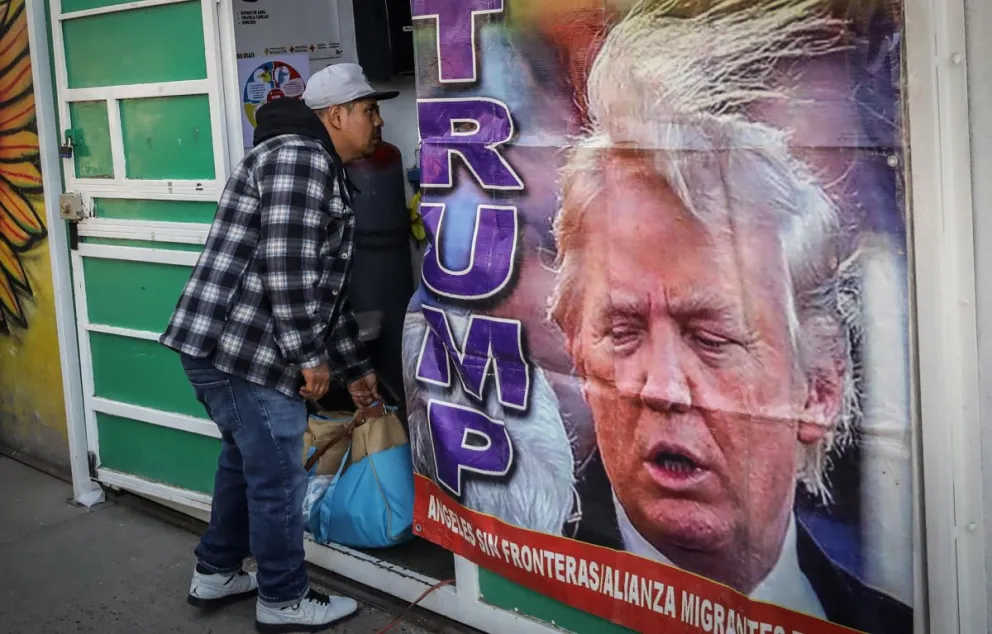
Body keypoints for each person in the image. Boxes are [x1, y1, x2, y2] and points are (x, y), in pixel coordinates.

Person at [548, 3, 912, 633]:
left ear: (820, 386)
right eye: (623, 331)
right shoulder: (531, 576)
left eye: (712, 338)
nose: (660, 387)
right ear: (577, 352)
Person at [159, 62, 397, 633]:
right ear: (335, 116)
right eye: (367, 110)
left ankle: (216, 572)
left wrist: (355, 370)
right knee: (278, 479)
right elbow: (286, 269)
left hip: (229, 348)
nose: (377, 119)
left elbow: (326, 291)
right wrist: (309, 358)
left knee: (246, 465)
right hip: (240, 351)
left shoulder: (315, 161)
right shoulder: (300, 157)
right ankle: (284, 598)